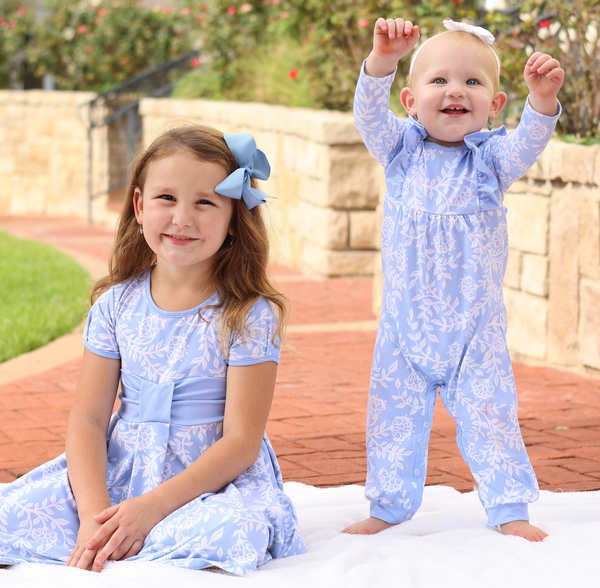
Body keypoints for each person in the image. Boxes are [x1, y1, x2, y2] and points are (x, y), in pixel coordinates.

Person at [0, 125, 306, 575]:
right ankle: (118, 536)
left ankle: (150, 535)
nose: (183, 218)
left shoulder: (247, 314)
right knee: (13, 516)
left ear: (233, 218)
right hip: (123, 468)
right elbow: (87, 419)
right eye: (167, 199)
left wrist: (151, 508)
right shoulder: (116, 305)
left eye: (205, 202)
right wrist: (94, 516)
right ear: (140, 207)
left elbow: (242, 442)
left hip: (207, 480)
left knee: (230, 531)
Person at [343, 17, 563, 541]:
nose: (455, 91)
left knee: (491, 415)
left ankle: (509, 506)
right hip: (404, 327)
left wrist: (543, 101)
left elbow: (530, 142)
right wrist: (383, 61)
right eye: (439, 81)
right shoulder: (401, 152)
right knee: (393, 417)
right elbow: (367, 114)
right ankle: (389, 505)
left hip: (474, 330)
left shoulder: (492, 163)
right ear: (410, 102)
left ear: (495, 105)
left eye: (472, 82)